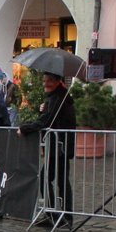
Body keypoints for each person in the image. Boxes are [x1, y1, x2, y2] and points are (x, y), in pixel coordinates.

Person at [19, 72, 77, 218]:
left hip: (59, 146)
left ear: (58, 81)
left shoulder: (58, 97)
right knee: (57, 180)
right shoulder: (57, 97)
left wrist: (25, 128)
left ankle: (58, 214)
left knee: (49, 179)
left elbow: (46, 121)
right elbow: (49, 117)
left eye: (49, 80)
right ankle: (60, 214)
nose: (46, 83)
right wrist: (45, 108)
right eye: (44, 80)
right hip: (58, 146)